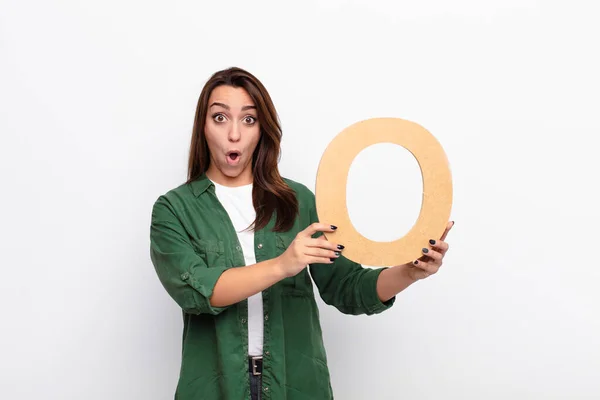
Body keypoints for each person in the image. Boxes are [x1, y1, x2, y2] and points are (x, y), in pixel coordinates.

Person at [149, 66, 454, 400]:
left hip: (297, 384)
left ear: (262, 129)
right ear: (203, 127)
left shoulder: (298, 202)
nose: (234, 134)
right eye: (220, 118)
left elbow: (346, 286)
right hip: (214, 387)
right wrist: (283, 264)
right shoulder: (173, 209)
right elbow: (197, 291)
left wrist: (409, 271)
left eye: (248, 119)